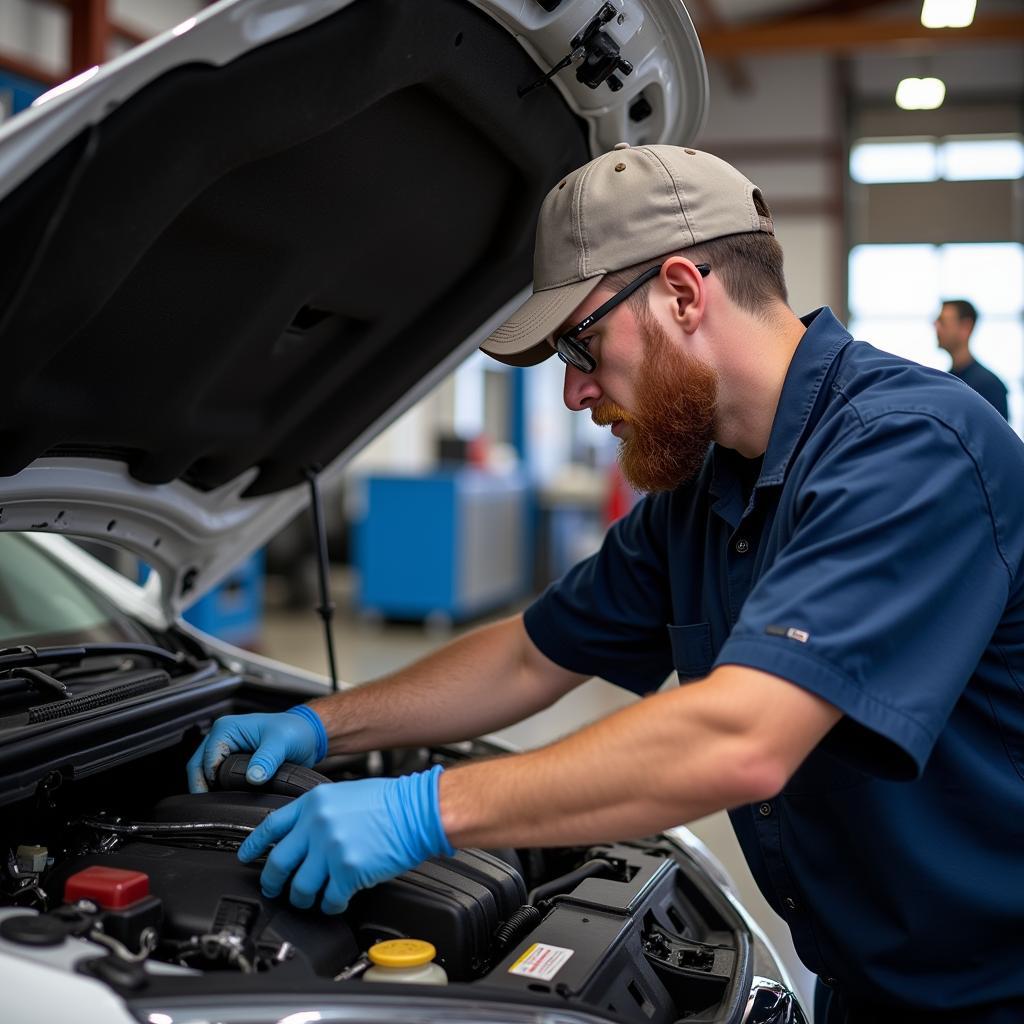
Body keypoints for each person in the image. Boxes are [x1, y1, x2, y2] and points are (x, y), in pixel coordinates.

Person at [189, 145, 1024, 1023]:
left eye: (580, 343)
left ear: (683, 292)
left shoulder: (914, 449)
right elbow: (527, 656)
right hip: (869, 985)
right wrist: (323, 724)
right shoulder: (707, 491)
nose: (574, 391)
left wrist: (420, 811)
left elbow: (743, 738)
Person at [934, 298, 1009, 419]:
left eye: (942, 322)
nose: (936, 327)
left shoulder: (989, 385)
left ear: (966, 327)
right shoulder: (946, 380)